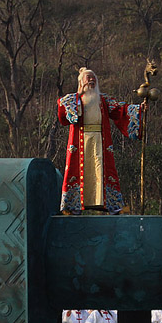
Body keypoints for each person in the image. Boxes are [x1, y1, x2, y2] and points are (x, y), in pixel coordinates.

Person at [57, 67, 143, 214]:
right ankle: (73, 206)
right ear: (81, 81)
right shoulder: (72, 100)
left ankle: (113, 206)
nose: (91, 80)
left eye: (93, 78)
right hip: (80, 141)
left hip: (101, 141)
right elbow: (62, 114)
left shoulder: (103, 100)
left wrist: (139, 109)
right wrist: (73, 104)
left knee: (103, 170)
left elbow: (120, 110)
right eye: (88, 77)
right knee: (77, 170)